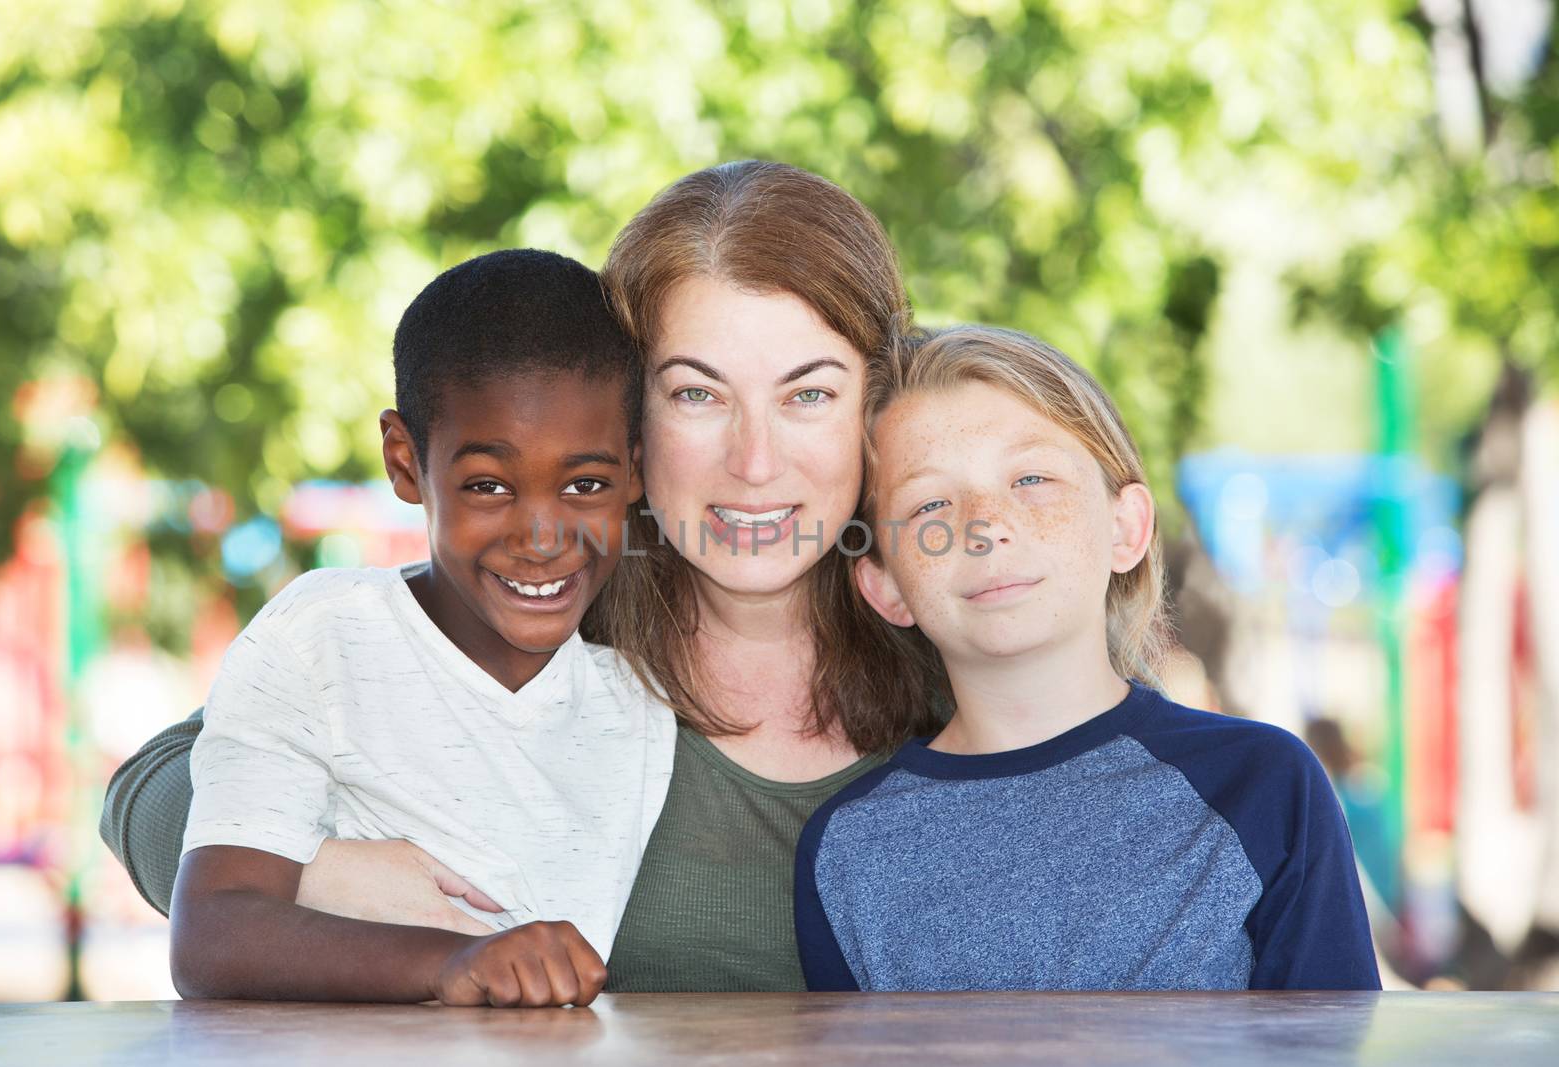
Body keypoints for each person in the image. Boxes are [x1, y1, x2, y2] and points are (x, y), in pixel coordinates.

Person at [101, 161, 946, 993]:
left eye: (808, 396)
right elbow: (154, 788)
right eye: (697, 394)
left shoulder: (959, 653)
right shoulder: (541, 604)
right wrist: (319, 874)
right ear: (631, 419)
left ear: (873, 403)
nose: (755, 462)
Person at [794, 325, 1381, 991]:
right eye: (931, 503)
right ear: (885, 584)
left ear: (1126, 528)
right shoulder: (849, 851)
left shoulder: (1265, 787)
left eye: (1032, 478)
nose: (985, 524)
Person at [168, 249, 676, 1007]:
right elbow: (211, 934)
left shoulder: (641, 702)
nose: (542, 536)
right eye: (488, 486)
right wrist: (455, 961)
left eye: (585, 484)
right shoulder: (322, 641)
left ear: (636, 471)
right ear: (406, 462)